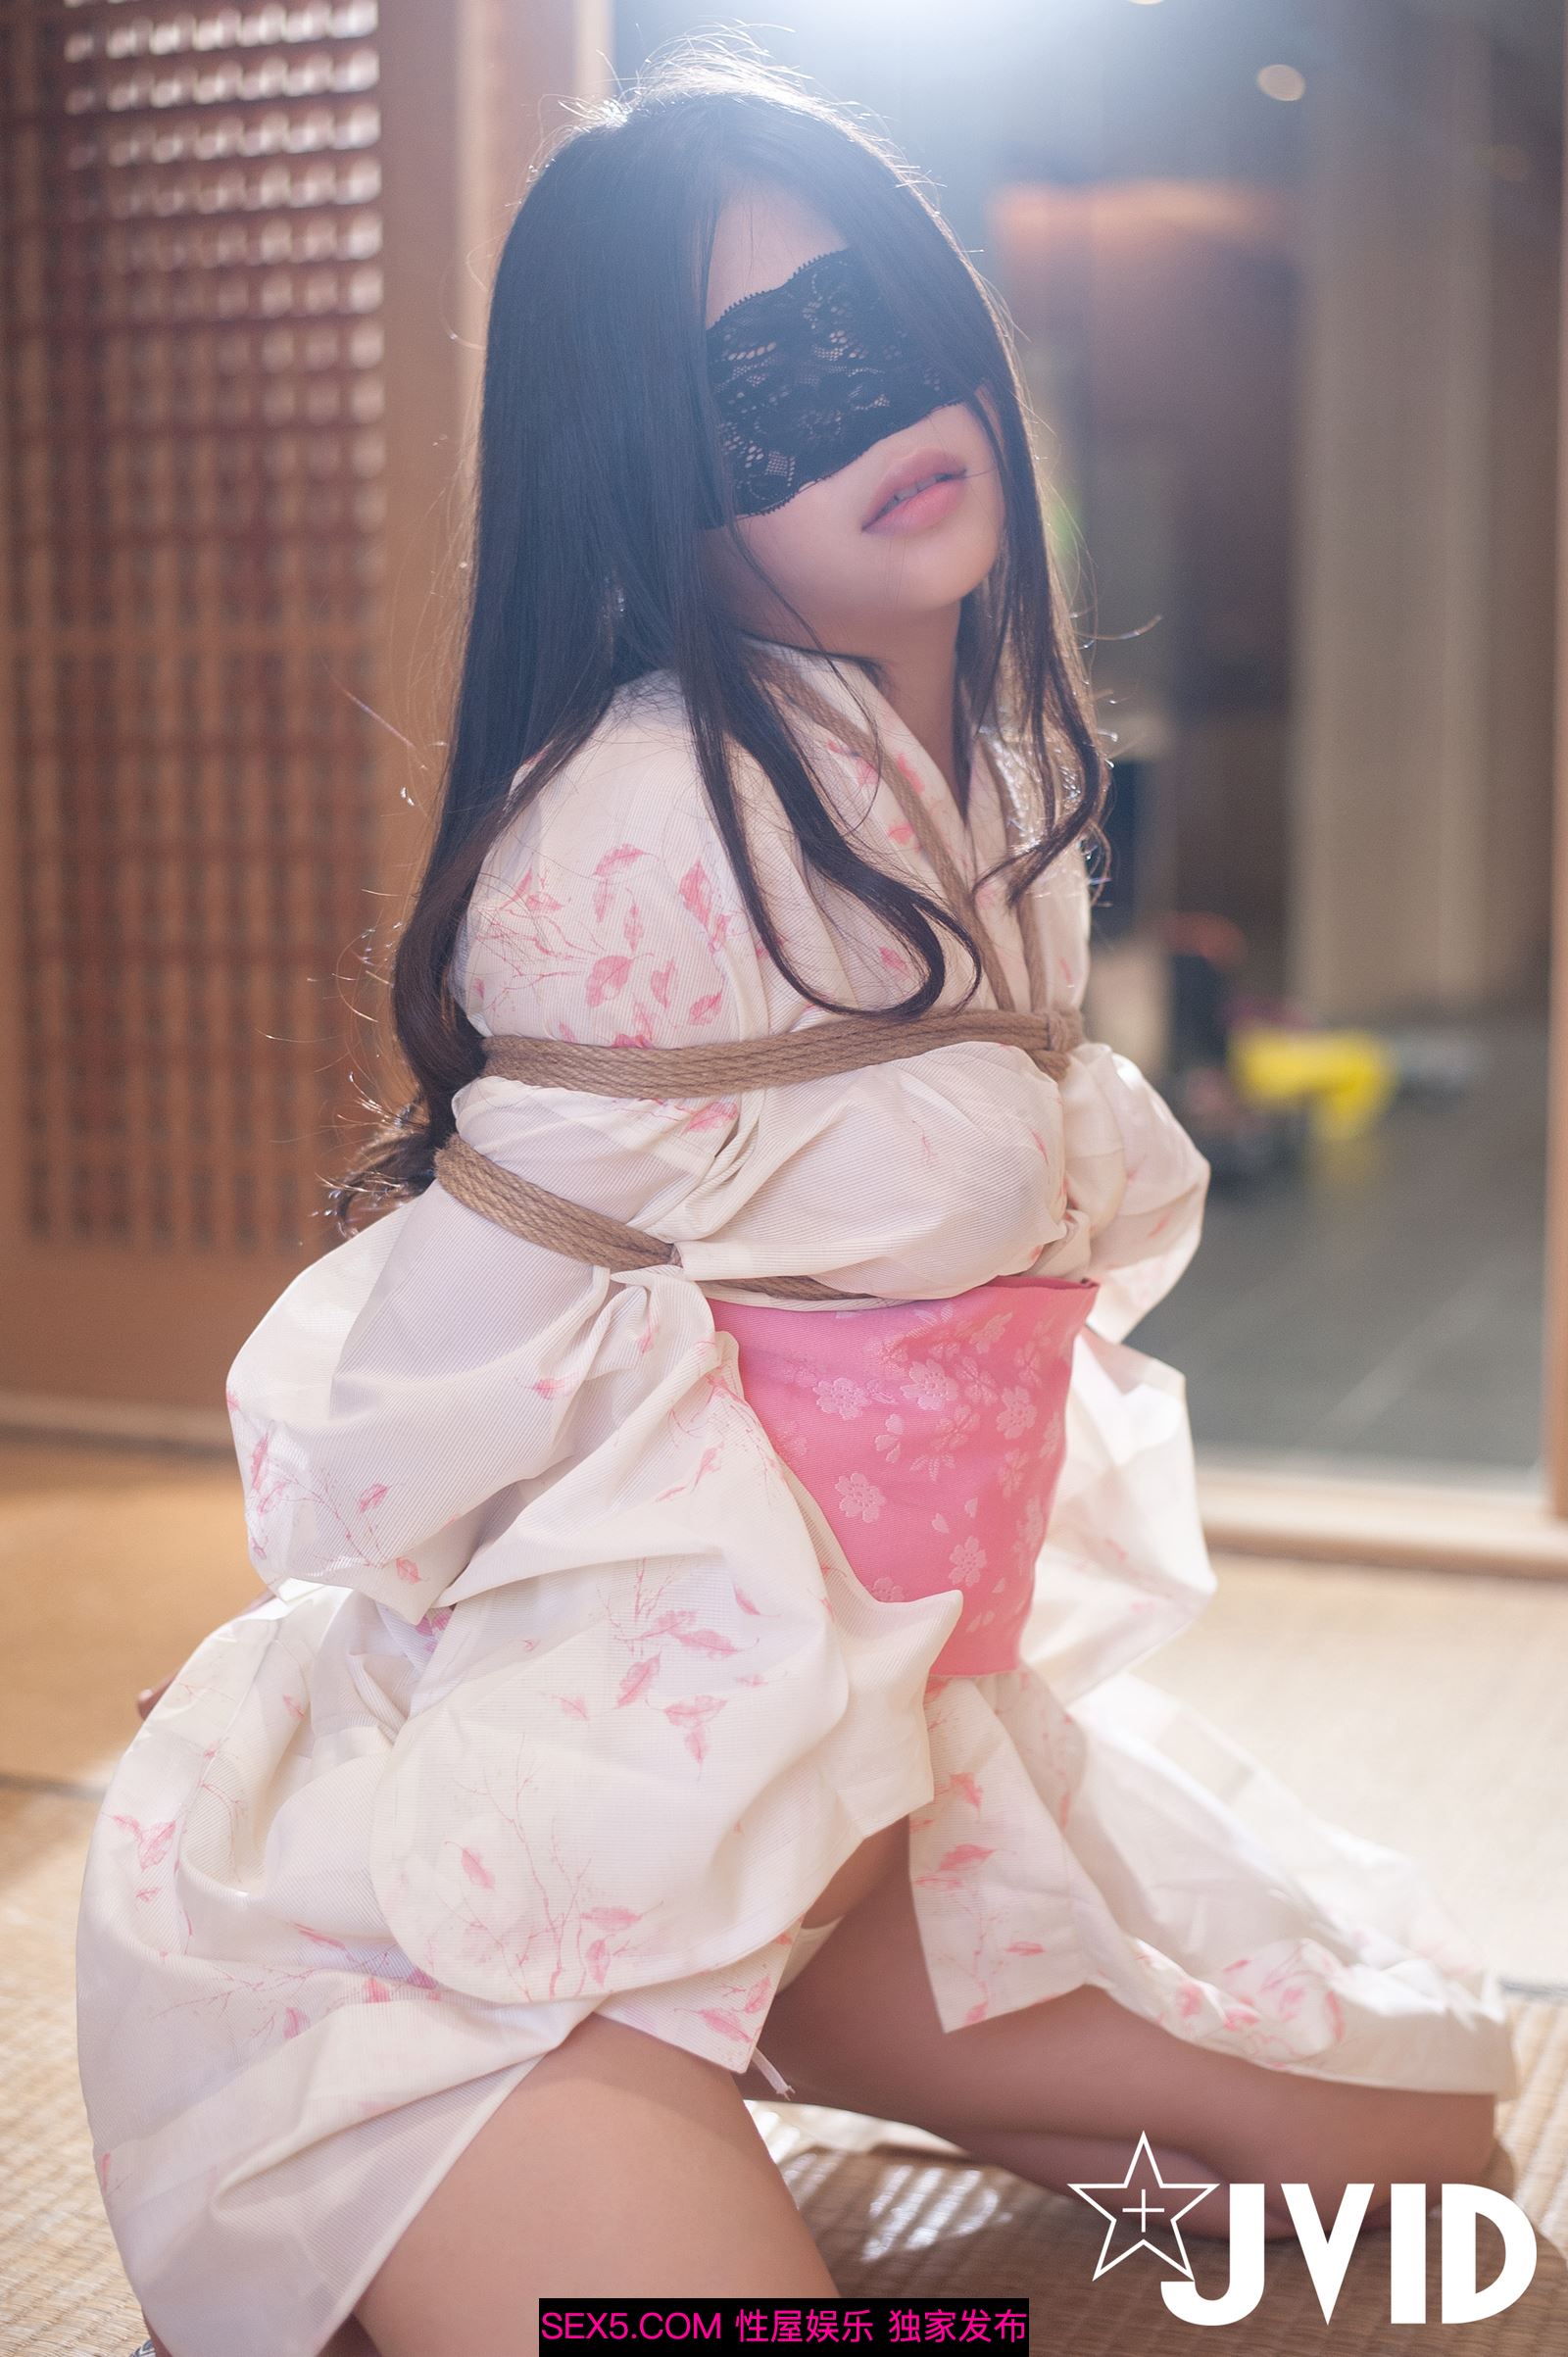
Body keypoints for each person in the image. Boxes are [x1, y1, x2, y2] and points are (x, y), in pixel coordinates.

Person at [77, 50, 1516, 2357]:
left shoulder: (1002, 781)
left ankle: (800, 2024)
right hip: (517, 1912)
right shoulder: (641, 822)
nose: (872, 410)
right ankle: (528, 2093)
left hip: (851, 1811)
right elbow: (456, 1349)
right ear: (645, 472)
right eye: (759, 388)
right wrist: (351, 1631)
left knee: (1420, 2170)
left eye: (885, 327)